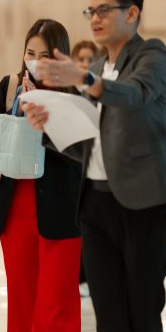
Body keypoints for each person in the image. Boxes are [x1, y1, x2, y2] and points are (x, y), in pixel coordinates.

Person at [23, 0, 166, 332]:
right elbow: (91, 144)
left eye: (103, 10)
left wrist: (85, 79)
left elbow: (135, 96)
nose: (94, 18)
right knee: (109, 323)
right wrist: (48, 128)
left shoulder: (150, 55)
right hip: (95, 206)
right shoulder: (98, 68)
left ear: (132, 13)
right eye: (90, 11)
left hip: (145, 205)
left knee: (141, 317)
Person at [0, 19, 82, 332]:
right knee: (24, 297)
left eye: (44, 55)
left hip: (61, 209)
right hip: (17, 208)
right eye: (30, 53)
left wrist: (47, 118)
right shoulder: (9, 88)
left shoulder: (74, 95)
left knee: (57, 299)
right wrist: (16, 114)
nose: (34, 61)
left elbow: (80, 153)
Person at [71, 39, 100, 298]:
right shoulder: (68, 92)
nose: (85, 64)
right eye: (80, 59)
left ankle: (91, 276)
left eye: (90, 60)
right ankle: (79, 276)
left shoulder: (100, 92)